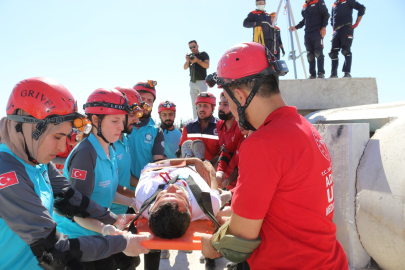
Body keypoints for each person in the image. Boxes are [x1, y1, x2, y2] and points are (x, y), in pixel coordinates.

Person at [201, 42, 348, 270]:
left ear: (239, 96)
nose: (228, 107)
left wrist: (211, 245)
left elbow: (240, 239)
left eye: (228, 100)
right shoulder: (303, 127)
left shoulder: (263, 143)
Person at [0, 77, 151, 270]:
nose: (63, 147)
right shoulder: (7, 173)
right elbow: (53, 249)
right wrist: (123, 243)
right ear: (30, 129)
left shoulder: (37, 159)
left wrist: (113, 219)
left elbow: (71, 199)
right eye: (57, 136)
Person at [53, 87, 148, 270]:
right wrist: (109, 229)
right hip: (79, 243)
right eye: (114, 121)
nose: (121, 126)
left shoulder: (109, 148)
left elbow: (107, 192)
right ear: (95, 120)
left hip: (97, 238)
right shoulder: (85, 155)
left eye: (122, 120)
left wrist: (136, 203)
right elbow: (77, 211)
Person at [129, 81, 165, 189]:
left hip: (144, 191)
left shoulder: (156, 131)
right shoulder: (121, 127)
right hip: (118, 194)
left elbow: (157, 164)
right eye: (142, 99)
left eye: (150, 100)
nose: (146, 103)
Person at [290, 0, 330, 79]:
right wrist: (295, 27)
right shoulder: (304, 6)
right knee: (310, 55)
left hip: (317, 31)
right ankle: (312, 74)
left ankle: (321, 73)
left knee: (318, 52)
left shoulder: (319, 1)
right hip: (308, 33)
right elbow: (304, 20)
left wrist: (324, 27)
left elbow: (326, 14)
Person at [178, 92, 220, 164]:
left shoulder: (220, 126)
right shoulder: (188, 127)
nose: (201, 109)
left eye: (205, 106)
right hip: (192, 170)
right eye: (199, 105)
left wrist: (209, 164)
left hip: (213, 170)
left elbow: (223, 153)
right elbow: (180, 151)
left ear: (213, 108)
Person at [329, 0, 366, 78]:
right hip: (336, 31)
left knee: (346, 51)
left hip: (346, 28)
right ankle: (333, 74)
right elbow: (332, 20)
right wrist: (333, 32)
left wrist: (356, 23)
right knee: (333, 53)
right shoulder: (334, 5)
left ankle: (347, 73)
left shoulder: (348, 1)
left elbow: (361, 8)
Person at [215, 92, 244, 188]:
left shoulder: (241, 129)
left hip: (239, 182)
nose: (220, 108)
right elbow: (226, 150)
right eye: (220, 104)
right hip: (225, 180)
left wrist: (227, 181)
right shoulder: (219, 124)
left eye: (225, 104)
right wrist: (220, 172)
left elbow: (241, 164)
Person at [184, 40, 210, 119]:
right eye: (190, 47)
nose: (192, 48)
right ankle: (196, 120)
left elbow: (207, 65)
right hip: (192, 83)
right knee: (194, 104)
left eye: (194, 46)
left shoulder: (203, 54)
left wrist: (197, 61)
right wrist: (187, 60)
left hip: (202, 82)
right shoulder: (190, 57)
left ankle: (205, 119)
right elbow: (185, 67)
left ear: (197, 46)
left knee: (204, 102)